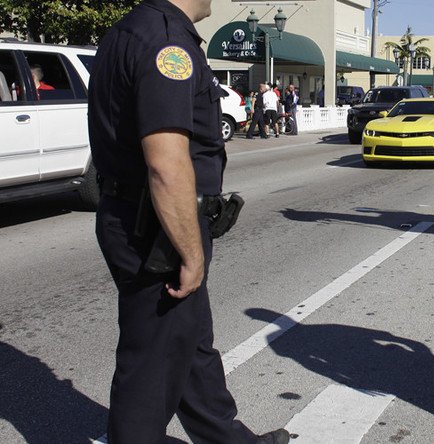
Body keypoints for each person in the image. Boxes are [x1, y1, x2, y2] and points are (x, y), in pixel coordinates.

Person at [87, 1, 289, 443]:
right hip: (155, 228)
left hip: (139, 215)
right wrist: (190, 251)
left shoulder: (132, 29)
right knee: (150, 369)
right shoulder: (166, 43)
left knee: (190, 344)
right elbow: (166, 163)